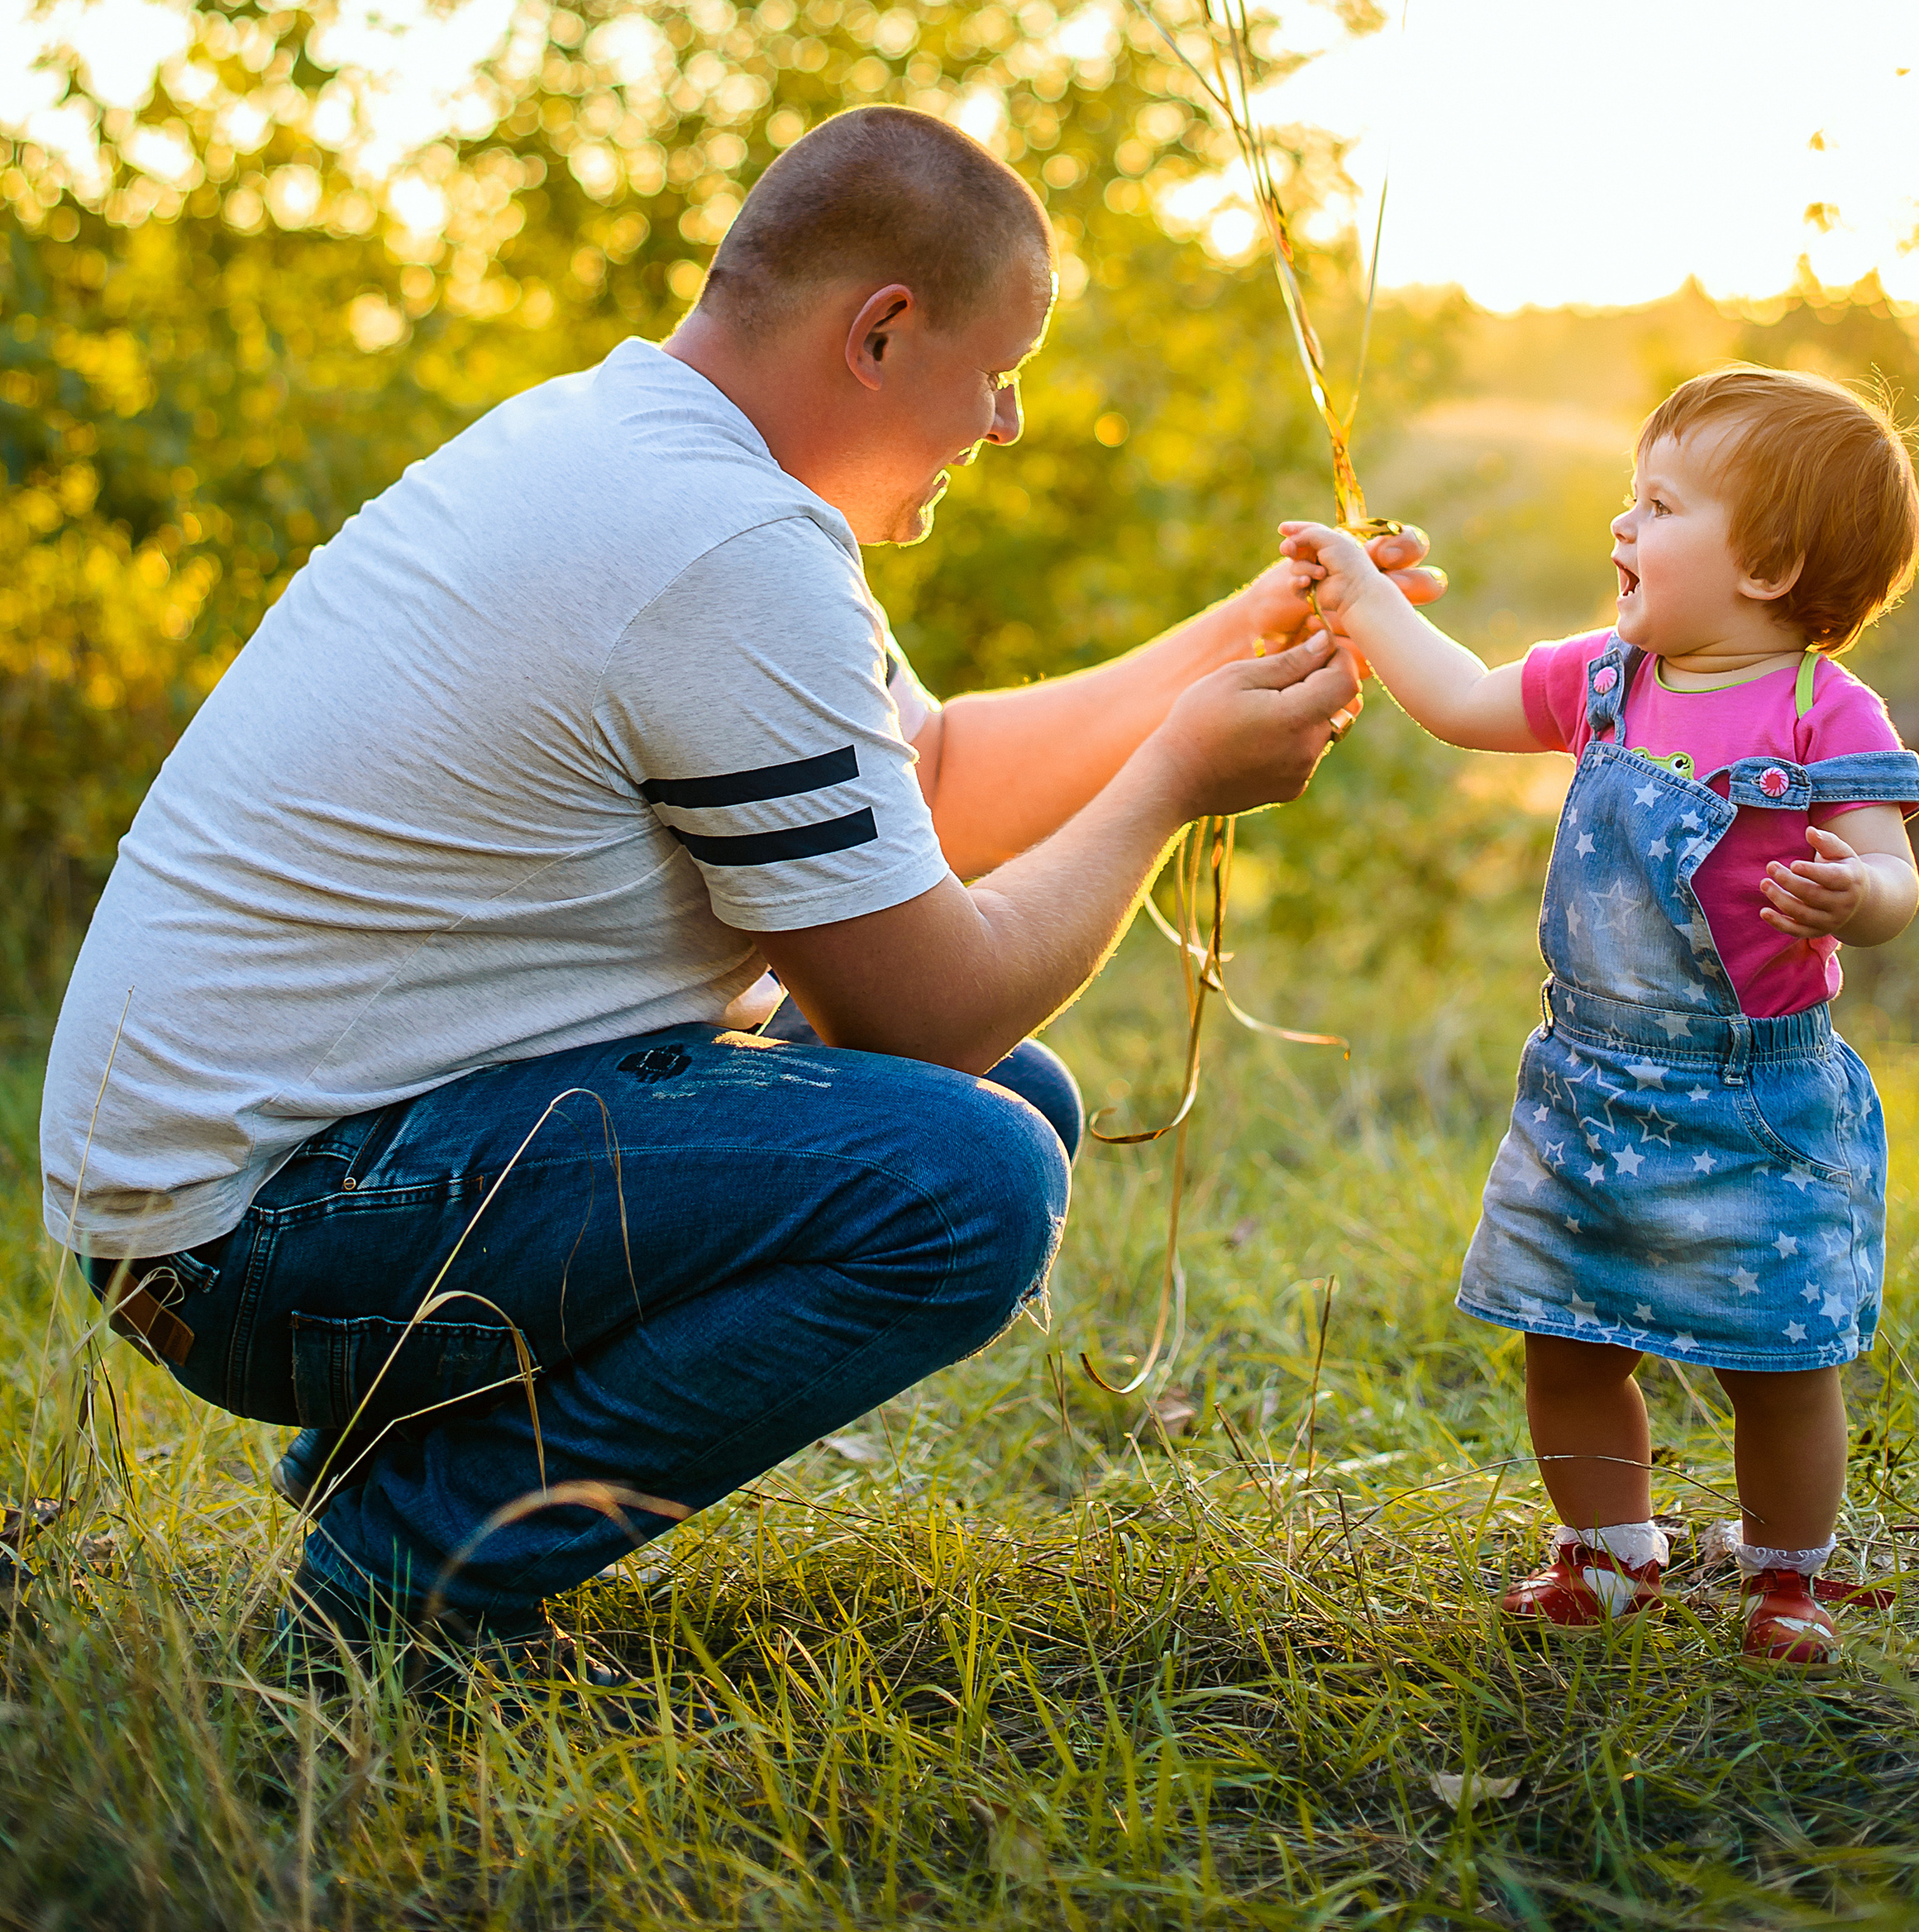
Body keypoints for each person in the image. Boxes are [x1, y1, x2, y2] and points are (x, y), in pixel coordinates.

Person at [41, 107, 1428, 1677]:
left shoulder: (644, 450)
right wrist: (1173, 781)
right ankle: (406, 1575)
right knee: (964, 1175)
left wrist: (1235, 632)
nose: (1008, 421)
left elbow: (938, 778)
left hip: (250, 1190)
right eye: (999, 369)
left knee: (1008, 1102)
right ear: (882, 334)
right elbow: (927, 1016)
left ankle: (410, 1473)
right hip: (252, 1234)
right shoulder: (720, 544)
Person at [1280, 365, 1919, 1668]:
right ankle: (1608, 1550)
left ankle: (1787, 1574)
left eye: (1662, 505)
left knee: (1780, 1359)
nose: (1623, 524)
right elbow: (1460, 695)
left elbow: (1897, 877)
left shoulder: (1823, 711)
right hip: (1595, 1082)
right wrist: (1360, 597)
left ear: (1772, 563)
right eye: (1634, 496)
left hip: (1755, 1096)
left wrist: (1855, 893)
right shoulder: (1603, 680)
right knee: (1567, 1336)